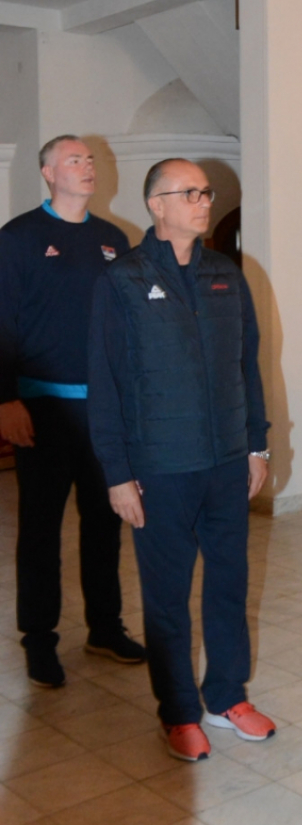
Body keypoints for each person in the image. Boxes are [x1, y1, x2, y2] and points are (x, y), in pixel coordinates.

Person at [88, 158, 275, 763]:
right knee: (167, 596)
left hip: (226, 463)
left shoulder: (226, 274)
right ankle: (177, 710)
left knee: (229, 583)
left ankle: (226, 696)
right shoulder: (123, 279)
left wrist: (256, 445)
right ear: (156, 204)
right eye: (189, 193)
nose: (203, 202)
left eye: (206, 192)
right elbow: (105, 382)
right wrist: (118, 474)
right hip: (160, 467)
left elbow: (247, 366)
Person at [0, 135, 146, 688]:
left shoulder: (113, 240)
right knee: (40, 529)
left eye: (90, 160)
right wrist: (5, 398)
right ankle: (39, 639)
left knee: (104, 524)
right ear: (47, 172)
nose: (86, 167)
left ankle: (104, 628)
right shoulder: (18, 237)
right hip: (41, 408)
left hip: (104, 410)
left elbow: (128, 324)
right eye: (73, 160)